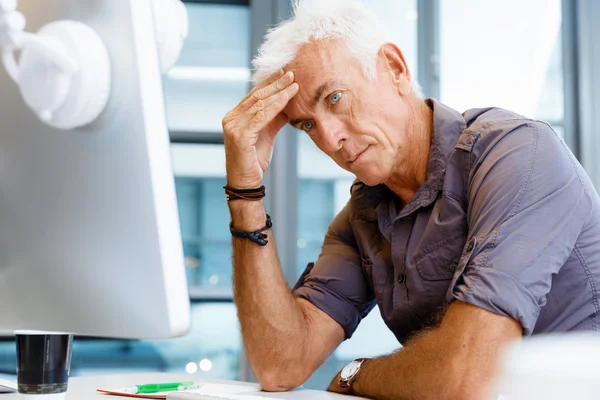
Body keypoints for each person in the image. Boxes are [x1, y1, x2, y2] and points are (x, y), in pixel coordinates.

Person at [221, 1, 600, 399]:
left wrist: (356, 374)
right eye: (307, 125)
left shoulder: (518, 154)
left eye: (334, 98)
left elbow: (467, 374)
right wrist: (245, 192)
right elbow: (281, 365)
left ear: (394, 68)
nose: (330, 140)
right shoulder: (361, 219)